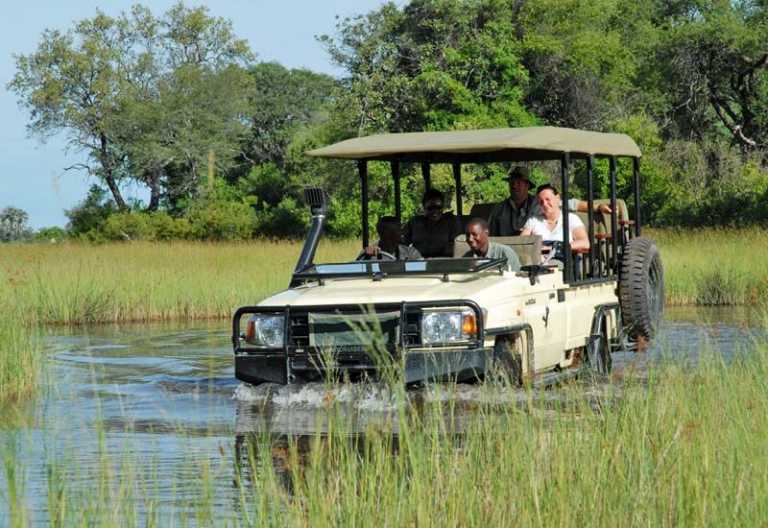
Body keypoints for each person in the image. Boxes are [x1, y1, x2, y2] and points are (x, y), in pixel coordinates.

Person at [489, 166, 611, 236]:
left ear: (527, 185)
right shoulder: (499, 209)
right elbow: (491, 235)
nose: (514, 186)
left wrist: (598, 207)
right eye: (512, 183)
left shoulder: (540, 203)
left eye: (519, 183)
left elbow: (573, 204)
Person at [520, 184, 590, 263]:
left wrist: (558, 247)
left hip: (563, 262)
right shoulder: (533, 220)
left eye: (548, 199)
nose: (545, 204)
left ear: (557, 198)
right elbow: (521, 243)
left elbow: (585, 243)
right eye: (541, 202)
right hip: (537, 261)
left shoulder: (571, 218)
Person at [402, 188, 462, 258]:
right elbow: (403, 244)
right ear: (424, 208)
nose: (435, 211)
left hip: (443, 261)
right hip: (419, 261)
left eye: (438, 207)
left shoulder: (451, 221)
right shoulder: (414, 222)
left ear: (443, 207)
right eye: (430, 208)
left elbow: (457, 246)